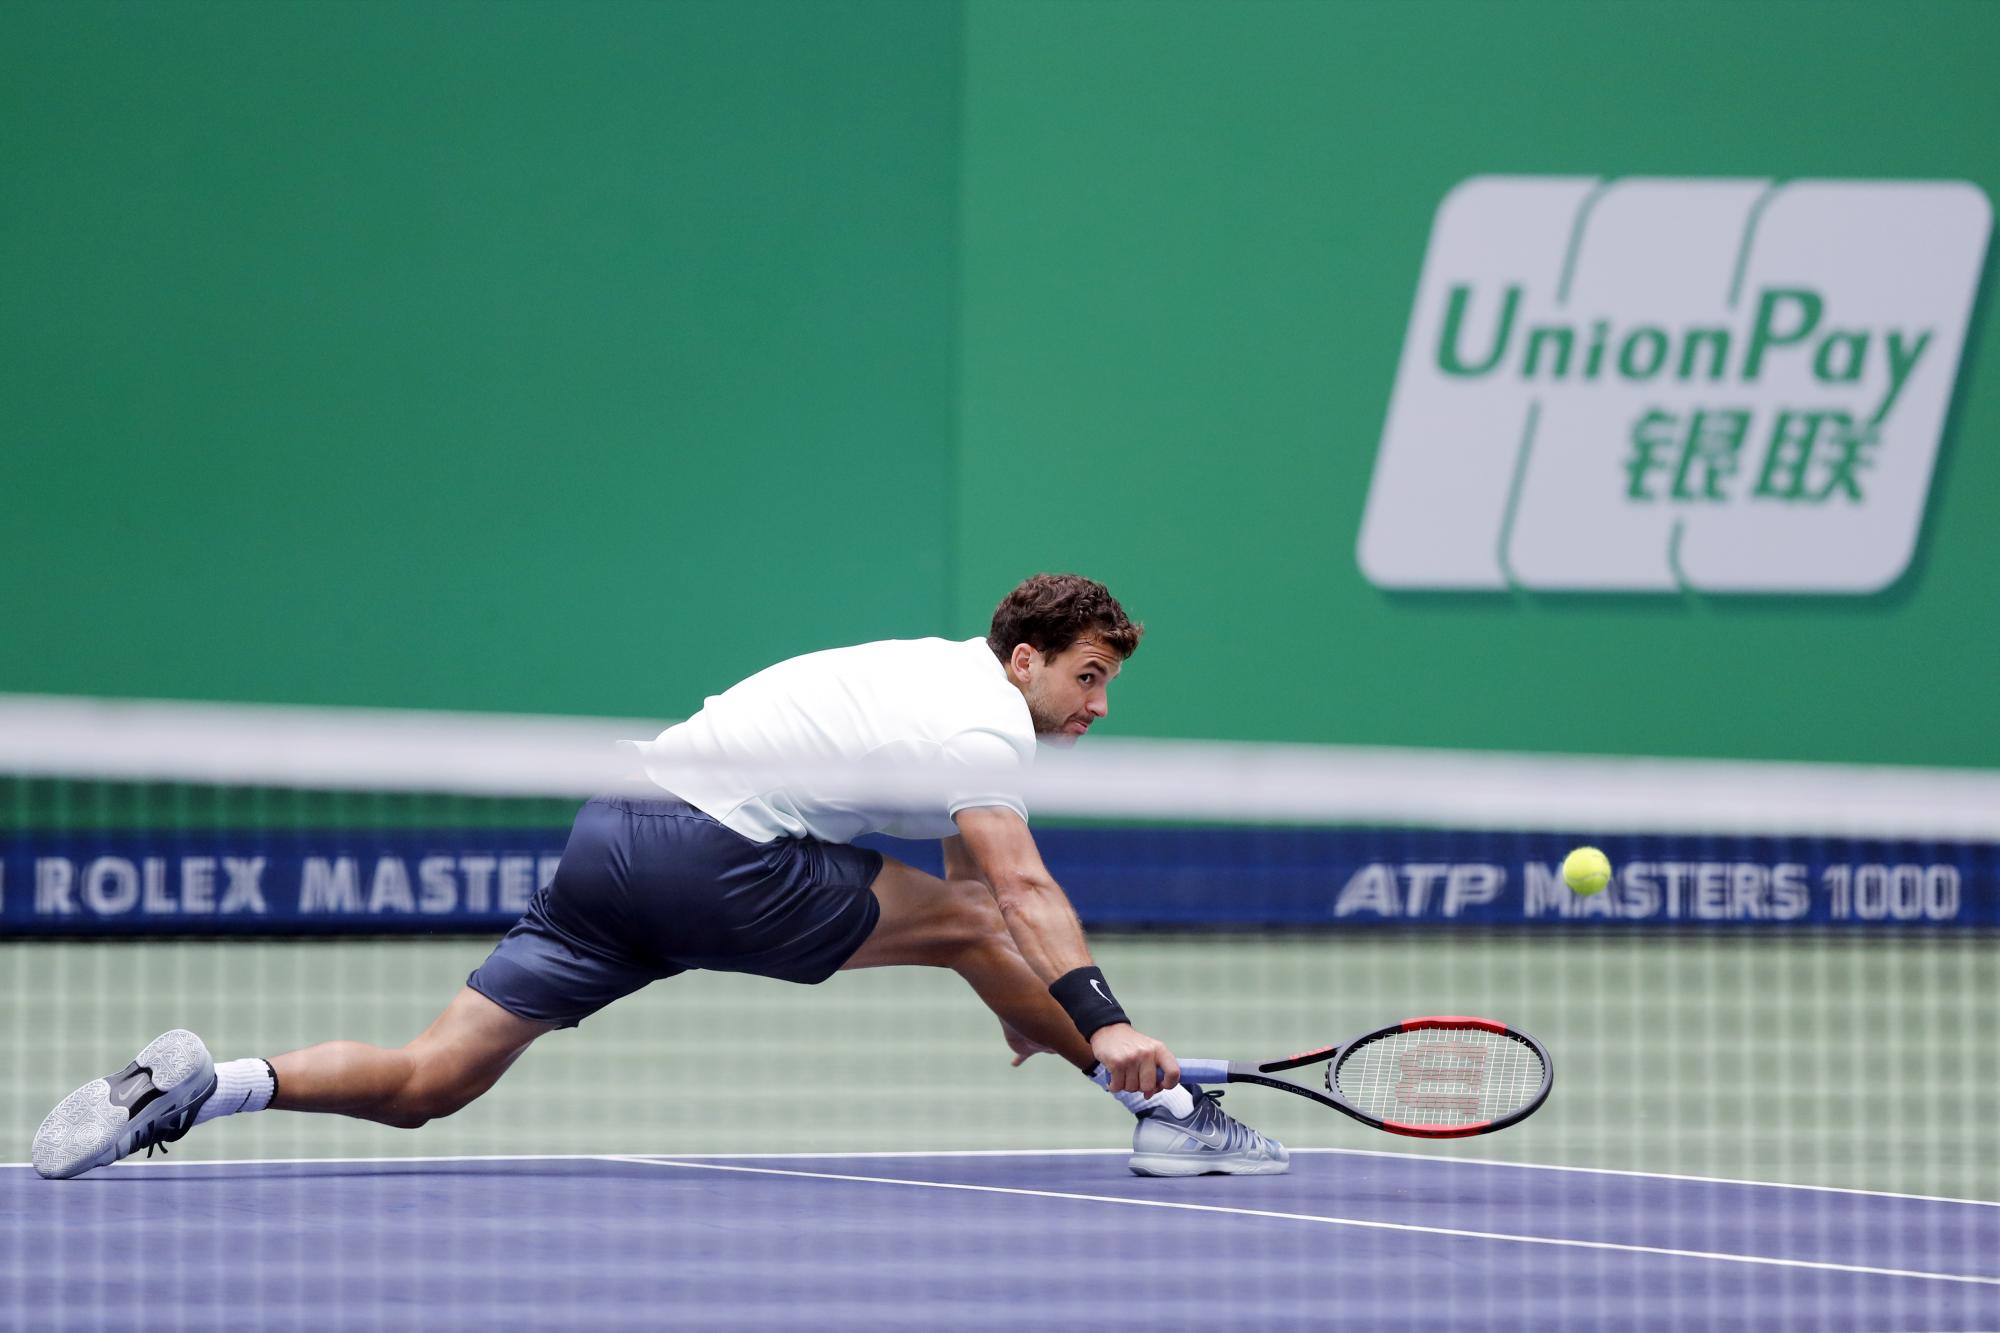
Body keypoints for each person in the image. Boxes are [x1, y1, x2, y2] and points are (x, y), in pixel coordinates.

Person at [32, 573, 1287, 1181]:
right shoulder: (981, 729)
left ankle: (206, 1088)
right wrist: (1104, 1023)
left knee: (433, 1081)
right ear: (1024, 660)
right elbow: (1005, 896)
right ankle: (1170, 1120)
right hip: (713, 855)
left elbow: (972, 880)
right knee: (974, 924)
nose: (1098, 704)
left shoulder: (934, 675)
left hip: (615, 837)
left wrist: (1030, 1010)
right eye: (1084, 677)